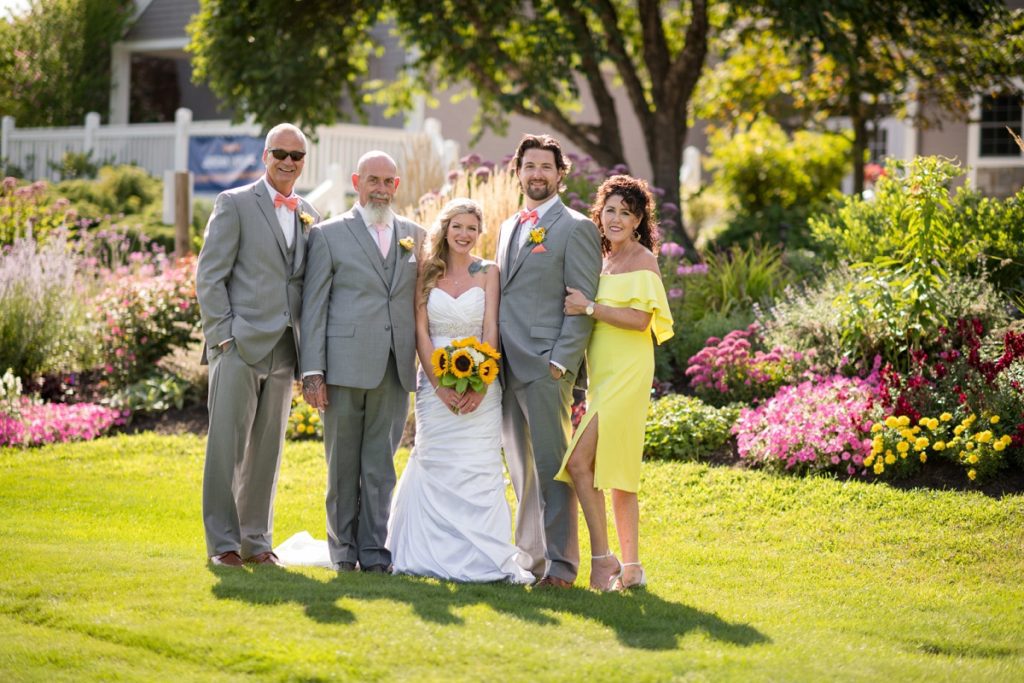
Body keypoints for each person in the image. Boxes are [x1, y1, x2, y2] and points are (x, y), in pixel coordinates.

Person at [386, 198, 533, 584]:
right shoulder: (426, 272)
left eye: (472, 228)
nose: (465, 235)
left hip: (482, 388)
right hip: (434, 388)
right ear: (445, 229)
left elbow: (490, 330)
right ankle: (424, 551)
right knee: (434, 460)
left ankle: (482, 556)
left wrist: (482, 385)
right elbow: (421, 331)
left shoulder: (489, 272)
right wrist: (438, 385)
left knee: (479, 465)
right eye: (458, 227)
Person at [196, 123, 318, 567]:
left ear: (304, 162)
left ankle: (256, 540)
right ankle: (223, 544)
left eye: (297, 156)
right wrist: (222, 336)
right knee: (226, 447)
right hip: (240, 344)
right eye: (280, 153)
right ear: (265, 155)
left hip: (287, 348)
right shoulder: (234, 203)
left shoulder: (310, 213)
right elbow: (210, 275)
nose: (288, 162)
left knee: (268, 449)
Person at [300, 151, 425, 574]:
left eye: (389, 181)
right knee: (342, 465)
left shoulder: (417, 236)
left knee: (381, 466)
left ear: (397, 185)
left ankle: (374, 552)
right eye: (373, 180)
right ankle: (342, 551)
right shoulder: (328, 235)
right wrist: (312, 370)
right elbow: (313, 306)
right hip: (343, 366)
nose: (381, 188)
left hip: (394, 368)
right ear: (357, 181)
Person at [556, 175, 674, 591]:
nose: (617, 218)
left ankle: (603, 560)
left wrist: (589, 306)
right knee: (618, 471)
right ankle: (632, 567)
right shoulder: (601, 258)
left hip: (628, 373)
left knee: (579, 462)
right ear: (599, 214)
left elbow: (641, 320)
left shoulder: (643, 260)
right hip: (602, 375)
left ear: (639, 220)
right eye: (610, 210)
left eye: (627, 212)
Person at [496, 134, 602, 588]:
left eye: (546, 167)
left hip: (544, 369)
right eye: (529, 166)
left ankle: (561, 566)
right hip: (503, 367)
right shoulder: (507, 227)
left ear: (561, 174)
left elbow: (583, 300)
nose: (537, 174)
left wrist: (561, 364)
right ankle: (531, 560)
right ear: (517, 171)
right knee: (522, 471)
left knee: (552, 470)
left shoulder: (575, 227)